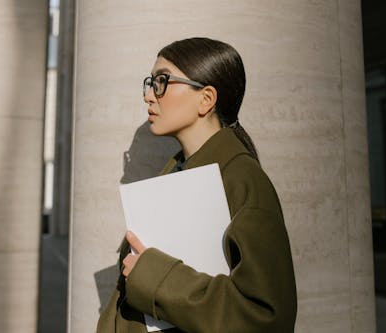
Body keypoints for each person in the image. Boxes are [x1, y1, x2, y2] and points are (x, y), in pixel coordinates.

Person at [97, 37, 297, 333]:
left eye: (162, 82)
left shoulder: (243, 180)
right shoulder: (177, 174)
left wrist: (154, 277)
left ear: (206, 99)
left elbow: (266, 316)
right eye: (150, 83)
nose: (149, 96)